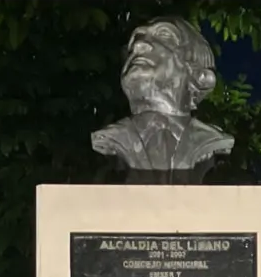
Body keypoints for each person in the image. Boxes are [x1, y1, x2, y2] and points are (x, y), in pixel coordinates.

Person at [91, 16, 234, 182]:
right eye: (134, 41)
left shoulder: (211, 140)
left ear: (200, 77)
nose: (138, 45)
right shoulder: (111, 137)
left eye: (164, 36)